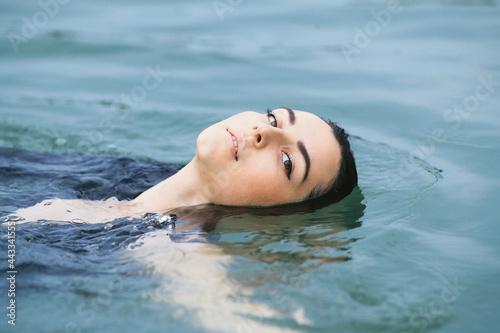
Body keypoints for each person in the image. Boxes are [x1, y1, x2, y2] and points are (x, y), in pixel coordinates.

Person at [12, 107, 357, 223]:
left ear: (282, 215)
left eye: (287, 162)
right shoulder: (121, 172)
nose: (261, 132)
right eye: (274, 118)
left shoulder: (177, 247)